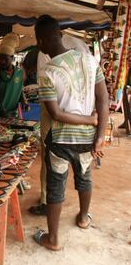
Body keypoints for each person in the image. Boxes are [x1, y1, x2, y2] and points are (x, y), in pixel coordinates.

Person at [33, 15, 108, 251]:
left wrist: (89, 121)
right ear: (61, 35)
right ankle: (84, 218)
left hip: (60, 140)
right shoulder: (88, 60)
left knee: (56, 185)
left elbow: (55, 113)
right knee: (85, 177)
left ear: (41, 42)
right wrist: (99, 133)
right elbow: (103, 98)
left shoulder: (47, 71)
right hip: (87, 138)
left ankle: (53, 239)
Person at [29, 34, 92, 216]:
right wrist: (92, 121)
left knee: (52, 162)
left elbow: (50, 102)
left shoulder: (46, 51)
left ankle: (47, 202)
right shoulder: (82, 47)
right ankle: (83, 215)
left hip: (54, 110)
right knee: (83, 165)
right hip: (83, 113)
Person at [0, 33, 28, 117]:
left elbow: (19, 90)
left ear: (12, 57)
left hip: (13, 115)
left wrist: (24, 102)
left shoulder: (20, 73)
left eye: (5, 59)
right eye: (0, 58)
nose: (2, 61)